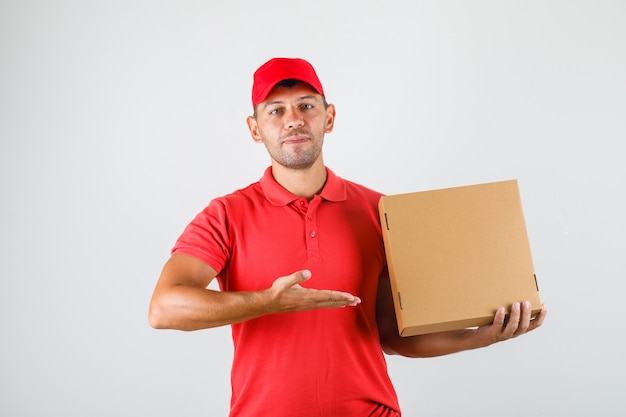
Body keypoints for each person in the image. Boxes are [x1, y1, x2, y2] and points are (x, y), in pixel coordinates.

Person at [148, 57, 547, 417]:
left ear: (330, 117)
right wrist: (267, 302)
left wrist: (478, 337)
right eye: (276, 110)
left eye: (307, 105)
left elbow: (393, 334)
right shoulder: (226, 215)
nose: (293, 120)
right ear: (255, 128)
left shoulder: (381, 211)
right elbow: (164, 308)